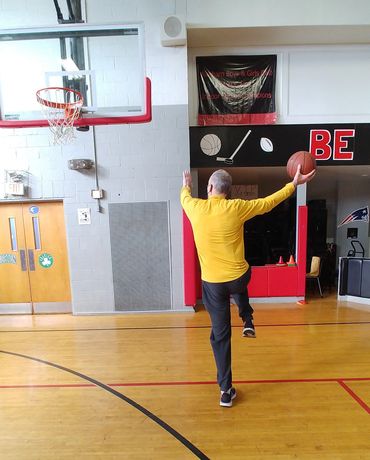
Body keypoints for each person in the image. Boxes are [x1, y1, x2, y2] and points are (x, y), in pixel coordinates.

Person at [180, 166, 316, 407]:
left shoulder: (195, 207)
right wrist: (293, 184)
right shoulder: (237, 207)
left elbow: (185, 196)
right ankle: (247, 318)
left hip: (212, 284)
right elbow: (268, 202)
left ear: (210, 188)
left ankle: (225, 391)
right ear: (228, 191)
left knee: (220, 336)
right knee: (241, 278)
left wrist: (187, 185)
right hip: (238, 278)